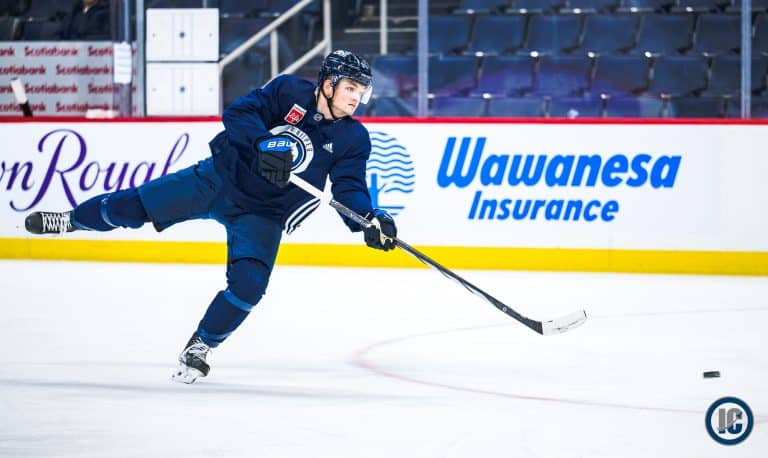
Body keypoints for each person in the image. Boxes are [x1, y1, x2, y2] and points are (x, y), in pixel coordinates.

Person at [24, 50, 397, 384]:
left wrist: (370, 217)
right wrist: (263, 143)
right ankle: (71, 220)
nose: (356, 98)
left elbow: (349, 187)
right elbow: (238, 113)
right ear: (329, 84)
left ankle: (200, 346)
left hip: (263, 213)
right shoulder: (288, 91)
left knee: (250, 286)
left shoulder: (353, 138)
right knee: (130, 208)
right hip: (218, 179)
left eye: (361, 91)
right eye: (350, 88)